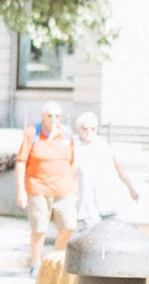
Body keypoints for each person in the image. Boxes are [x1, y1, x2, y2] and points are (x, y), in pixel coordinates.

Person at [16, 104, 78, 260]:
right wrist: (20, 191)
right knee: (39, 229)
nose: (53, 119)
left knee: (69, 225)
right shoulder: (33, 133)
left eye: (57, 116)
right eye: (50, 116)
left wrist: (75, 187)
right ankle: (35, 263)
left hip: (64, 190)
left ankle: (55, 260)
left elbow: (73, 163)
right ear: (43, 116)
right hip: (39, 189)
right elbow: (21, 162)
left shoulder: (67, 134)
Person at [72, 110, 137, 225]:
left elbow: (118, 167)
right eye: (84, 129)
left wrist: (131, 188)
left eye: (93, 129)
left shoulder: (102, 144)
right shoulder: (74, 147)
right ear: (78, 129)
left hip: (107, 199)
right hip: (87, 204)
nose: (88, 132)